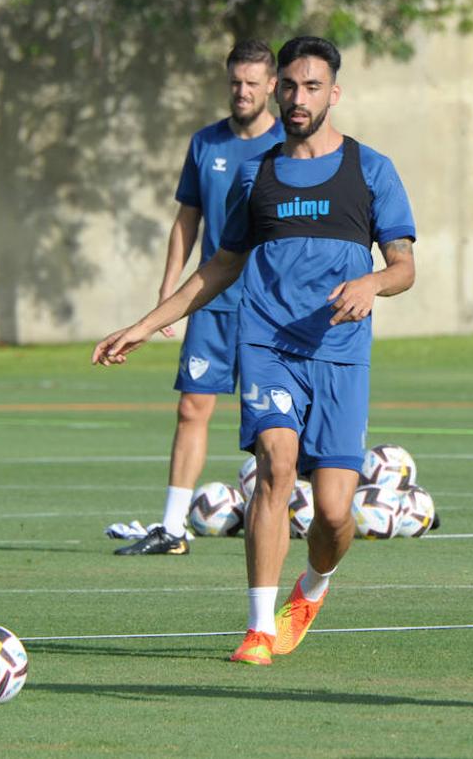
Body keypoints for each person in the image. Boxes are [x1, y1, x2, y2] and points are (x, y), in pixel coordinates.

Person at [93, 36, 417, 664]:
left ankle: (315, 585)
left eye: (312, 87)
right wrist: (142, 324)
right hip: (267, 342)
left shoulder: (370, 169)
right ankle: (260, 628)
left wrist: (372, 282)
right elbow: (220, 266)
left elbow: (403, 267)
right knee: (274, 465)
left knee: (331, 515)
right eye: (290, 86)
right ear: (278, 88)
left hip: (340, 354)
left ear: (334, 93)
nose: (298, 99)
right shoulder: (257, 172)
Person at [109, 40, 285, 556]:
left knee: (275, 420)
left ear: (272, 86)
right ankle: (172, 527)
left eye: (254, 83)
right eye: (236, 82)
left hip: (266, 305)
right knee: (191, 408)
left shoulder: (286, 148)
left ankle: (296, 513)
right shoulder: (206, 143)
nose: (243, 91)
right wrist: (170, 287)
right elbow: (188, 218)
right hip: (212, 298)